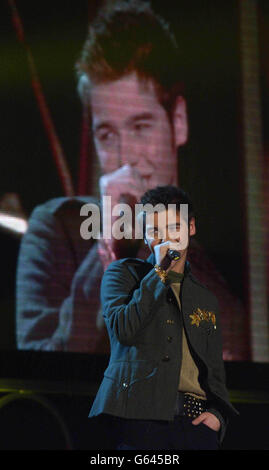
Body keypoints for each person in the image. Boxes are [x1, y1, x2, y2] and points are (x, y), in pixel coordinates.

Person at [16, 0, 248, 358]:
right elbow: (37, 374)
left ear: (179, 122)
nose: (125, 157)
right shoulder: (55, 230)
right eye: (107, 135)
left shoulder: (213, 272)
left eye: (140, 127)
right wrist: (106, 254)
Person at [89, 185, 238, 450]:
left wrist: (218, 416)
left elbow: (214, 373)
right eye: (155, 231)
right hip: (138, 420)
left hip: (195, 428)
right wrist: (159, 273)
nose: (165, 238)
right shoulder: (122, 275)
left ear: (190, 228)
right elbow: (124, 330)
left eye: (173, 227)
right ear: (145, 237)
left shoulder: (206, 298)